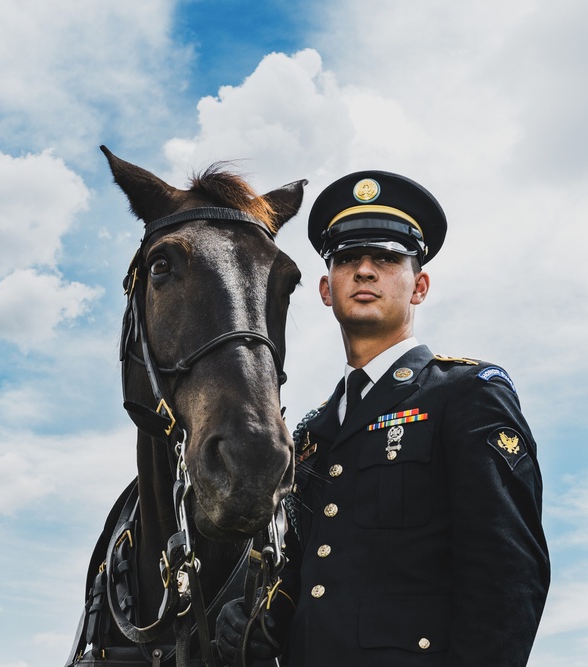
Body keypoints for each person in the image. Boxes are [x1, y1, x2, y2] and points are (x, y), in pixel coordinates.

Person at [215, 170, 550, 666]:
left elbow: (508, 574)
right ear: (327, 290)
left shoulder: (465, 395)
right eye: (348, 259)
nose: (365, 271)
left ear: (420, 286)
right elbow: (305, 570)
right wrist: (263, 616)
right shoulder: (311, 433)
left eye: (387, 259)